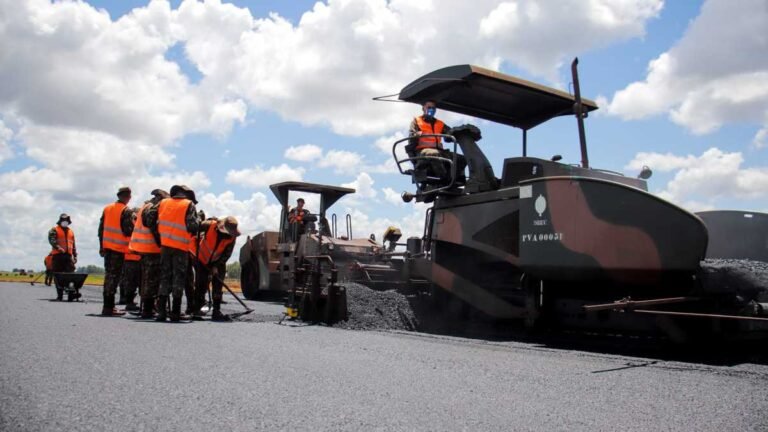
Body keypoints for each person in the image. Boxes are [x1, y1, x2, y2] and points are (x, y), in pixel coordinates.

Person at [143, 185, 200, 322]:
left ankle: (161, 312)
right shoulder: (188, 204)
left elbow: (149, 220)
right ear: (186, 195)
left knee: (164, 278)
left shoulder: (163, 203)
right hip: (180, 247)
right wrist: (198, 221)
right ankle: (175, 312)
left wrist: (159, 236)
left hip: (165, 246)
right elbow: (193, 226)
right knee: (178, 279)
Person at [129, 189, 168, 319]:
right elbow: (152, 226)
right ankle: (148, 309)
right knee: (151, 280)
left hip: (144, 247)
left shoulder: (144, 206)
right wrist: (160, 243)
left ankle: (147, 308)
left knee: (146, 279)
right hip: (152, 248)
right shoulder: (152, 208)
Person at [407, 100, 466, 187]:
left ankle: (453, 179)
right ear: (423, 108)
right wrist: (417, 134)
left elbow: (450, 133)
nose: (431, 110)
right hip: (422, 152)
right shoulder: (416, 121)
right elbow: (412, 135)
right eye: (429, 107)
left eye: (433, 108)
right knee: (433, 154)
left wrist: (461, 133)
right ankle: (444, 180)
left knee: (462, 159)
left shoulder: (440, 123)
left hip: (440, 151)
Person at [191, 216, 239, 321]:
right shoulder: (209, 225)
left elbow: (227, 254)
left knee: (218, 285)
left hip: (218, 262)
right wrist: (193, 250)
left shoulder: (232, 238)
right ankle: (196, 309)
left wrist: (216, 266)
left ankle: (216, 311)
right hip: (202, 259)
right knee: (201, 285)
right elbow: (194, 229)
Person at [98, 186, 133, 316]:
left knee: (108, 277)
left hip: (107, 248)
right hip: (118, 249)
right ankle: (109, 307)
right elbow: (128, 230)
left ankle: (108, 306)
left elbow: (100, 229)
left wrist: (101, 246)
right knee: (114, 278)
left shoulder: (107, 208)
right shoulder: (126, 210)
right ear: (128, 197)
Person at [118, 208, 141, 311]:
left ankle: (129, 301)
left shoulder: (128, 225)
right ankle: (129, 301)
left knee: (131, 281)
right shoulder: (134, 225)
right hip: (133, 257)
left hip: (132, 257)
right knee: (132, 281)